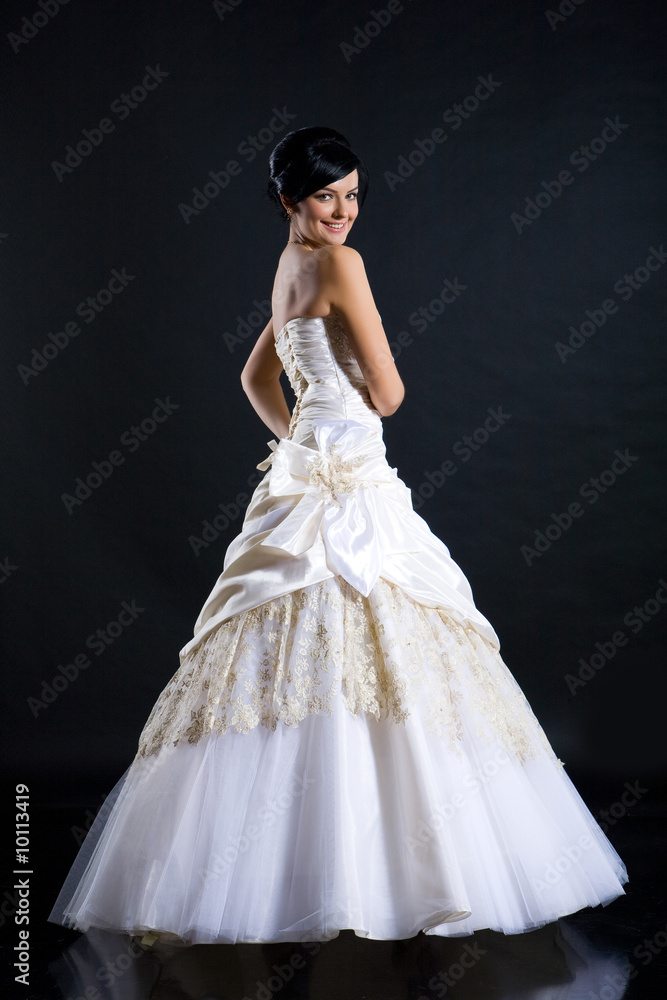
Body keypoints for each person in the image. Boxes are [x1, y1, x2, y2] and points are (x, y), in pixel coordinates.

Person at [49, 126, 628, 946]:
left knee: (287, 652)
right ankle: (395, 872)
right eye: (327, 196)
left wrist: (297, 441)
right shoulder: (341, 267)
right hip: (351, 472)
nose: (344, 213)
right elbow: (388, 396)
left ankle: (273, 873)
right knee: (380, 640)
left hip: (312, 472)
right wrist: (346, 402)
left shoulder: (288, 267)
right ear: (289, 199)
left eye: (354, 195)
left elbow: (256, 375)